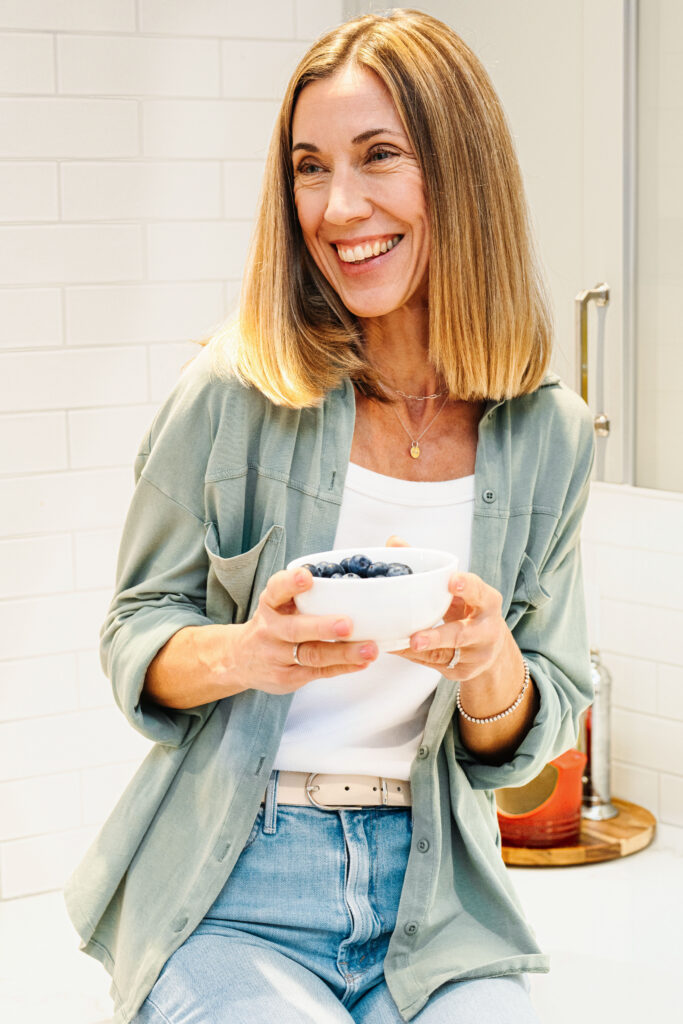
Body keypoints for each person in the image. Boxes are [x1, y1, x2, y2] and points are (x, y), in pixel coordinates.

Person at [64, 9, 595, 1024]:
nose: (337, 205)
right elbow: (137, 630)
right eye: (309, 167)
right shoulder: (229, 395)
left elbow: (531, 733)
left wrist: (489, 664)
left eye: (378, 156)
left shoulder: (550, 435)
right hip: (235, 894)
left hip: (434, 903)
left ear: (461, 174)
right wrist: (249, 654)